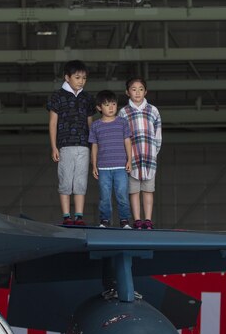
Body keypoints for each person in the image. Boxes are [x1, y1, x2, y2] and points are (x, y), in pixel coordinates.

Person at [47, 60, 96, 226]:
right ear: (67, 77)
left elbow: (91, 124)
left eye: (84, 78)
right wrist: (54, 146)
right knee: (66, 181)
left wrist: (93, 147)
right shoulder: (57, 96)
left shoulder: (87, 98)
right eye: (77, 77)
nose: (81, 81)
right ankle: (67, 216)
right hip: (65, 145)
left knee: (81, 182)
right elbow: (53, 123)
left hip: (84, 145)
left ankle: (79, 216)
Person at [119, 78, 162, 230]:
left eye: (141, 89)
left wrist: (154, 152)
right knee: (134, 190)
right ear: (127, 92)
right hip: (132, 158)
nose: (137, 92)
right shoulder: (123, 112)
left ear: (146, 91)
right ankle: (137, 220)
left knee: (148, 190)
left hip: (149, 157)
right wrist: (126, 157)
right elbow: (122, 136)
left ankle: (148, 220)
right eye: (133, 89)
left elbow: (158, 134)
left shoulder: (153, 110)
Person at [89, 90, 133, 228]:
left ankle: (124, 220)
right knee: (104, 197)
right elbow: (94, 146)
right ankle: (105, 220)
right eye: (107, 105)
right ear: (99, 108)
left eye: (113, 104)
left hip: (120, 166)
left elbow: (127, 142)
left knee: (122, 195)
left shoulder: (122, 122)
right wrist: (94, 165)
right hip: (103, 168)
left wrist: (129, 160)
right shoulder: (96, 125)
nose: (111, 107)